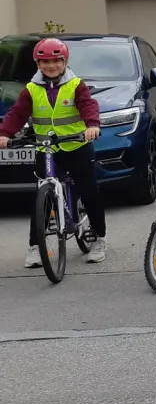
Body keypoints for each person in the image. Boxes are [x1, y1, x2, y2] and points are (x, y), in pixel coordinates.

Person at [0, 39, 106, 269]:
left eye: (56, 61)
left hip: (76, 146)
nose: (50, 66)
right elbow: (17, 113)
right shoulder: (31, 89)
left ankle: (99, 238)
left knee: (89, 192)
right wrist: (4, 133)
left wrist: (92, 125)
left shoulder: (76, 85)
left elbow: (88, 104)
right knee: (41, 196)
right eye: (45, 61)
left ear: (65, 62)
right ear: (37, 64)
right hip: (46, 149)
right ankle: (36, 247)